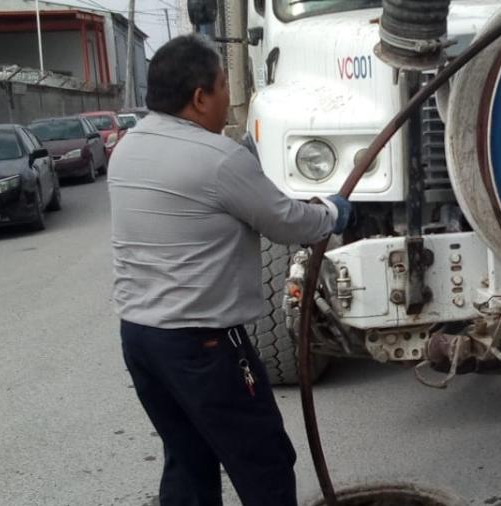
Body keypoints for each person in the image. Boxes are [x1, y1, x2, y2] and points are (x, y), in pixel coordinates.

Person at [108, 35, 351, 506]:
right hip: (203, 344)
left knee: (188, 459)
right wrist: (333, 212)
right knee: (263, 462)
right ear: (200, 97)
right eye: (222, 85)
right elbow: (286, 221)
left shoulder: (127, 148)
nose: (226, 96)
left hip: (140, 339)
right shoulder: (218, 158)